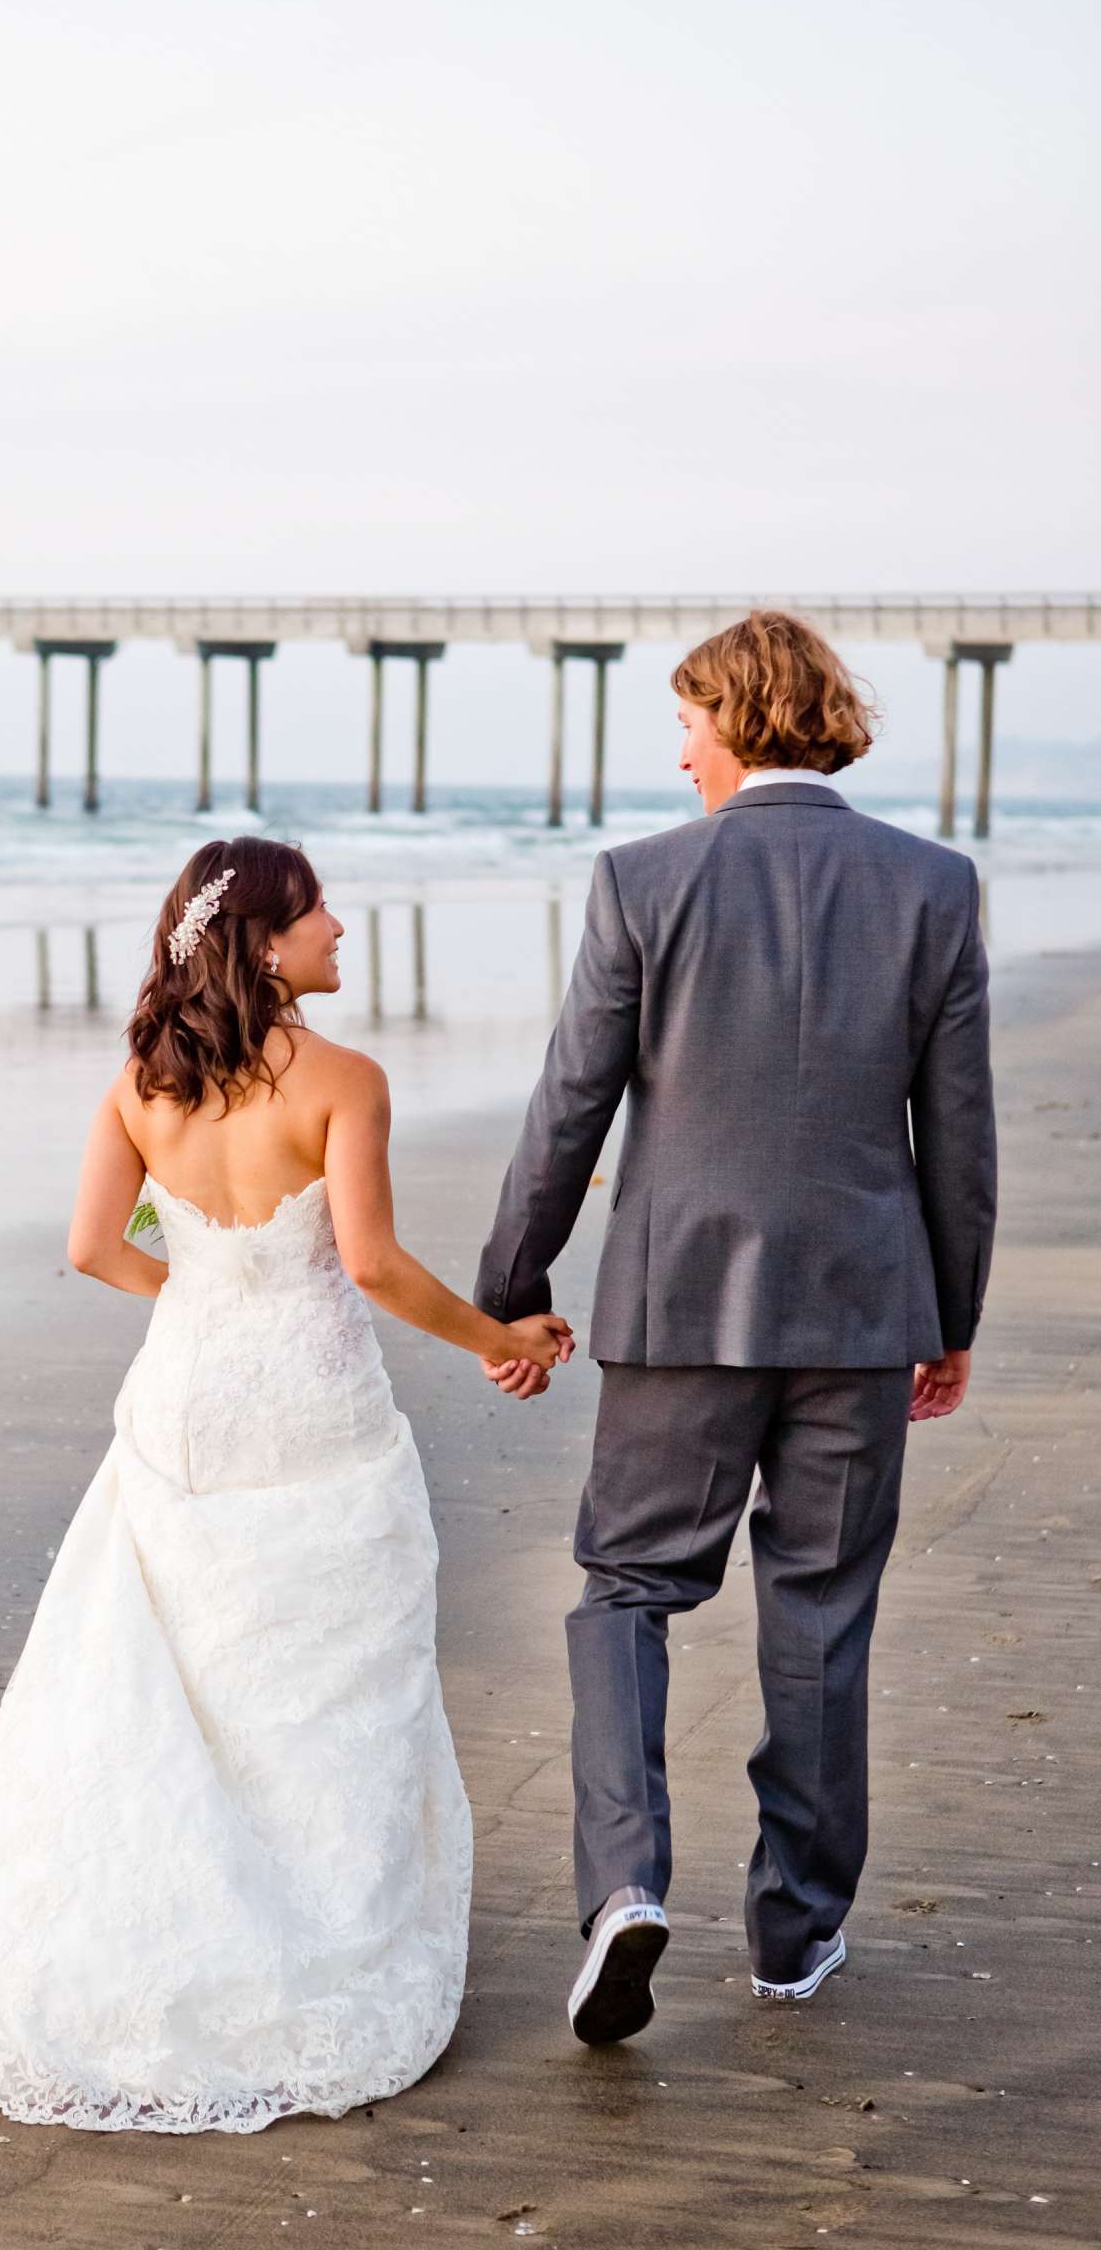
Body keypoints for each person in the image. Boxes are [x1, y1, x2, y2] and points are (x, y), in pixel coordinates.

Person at [0, 836, 571, 2131]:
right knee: (328, 1684)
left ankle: (159, 1953)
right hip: (313, 1414)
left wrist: (209, 1296)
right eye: (320, 910)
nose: (340, 927)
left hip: (182, 1406)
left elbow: (97, 1248)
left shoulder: (141, 1085)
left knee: (184, 1686)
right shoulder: (347, 1083)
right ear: (265, 939)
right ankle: (314, 1953)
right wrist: (503, 1340)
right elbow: (369, 1267)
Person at [474, 608, 996, 2046]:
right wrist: (950, 1310)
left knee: (627, 1590)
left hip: (680, 1302)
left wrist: (512, 1280)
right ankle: (794, 1934)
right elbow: (956, 1131)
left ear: (742, 720)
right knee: (821, 1611)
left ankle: (627, 1882)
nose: (680, 746)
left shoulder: (644, 882)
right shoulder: (934, 886)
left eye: (690, 717)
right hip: (859, 1309)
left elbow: (571, 1102)